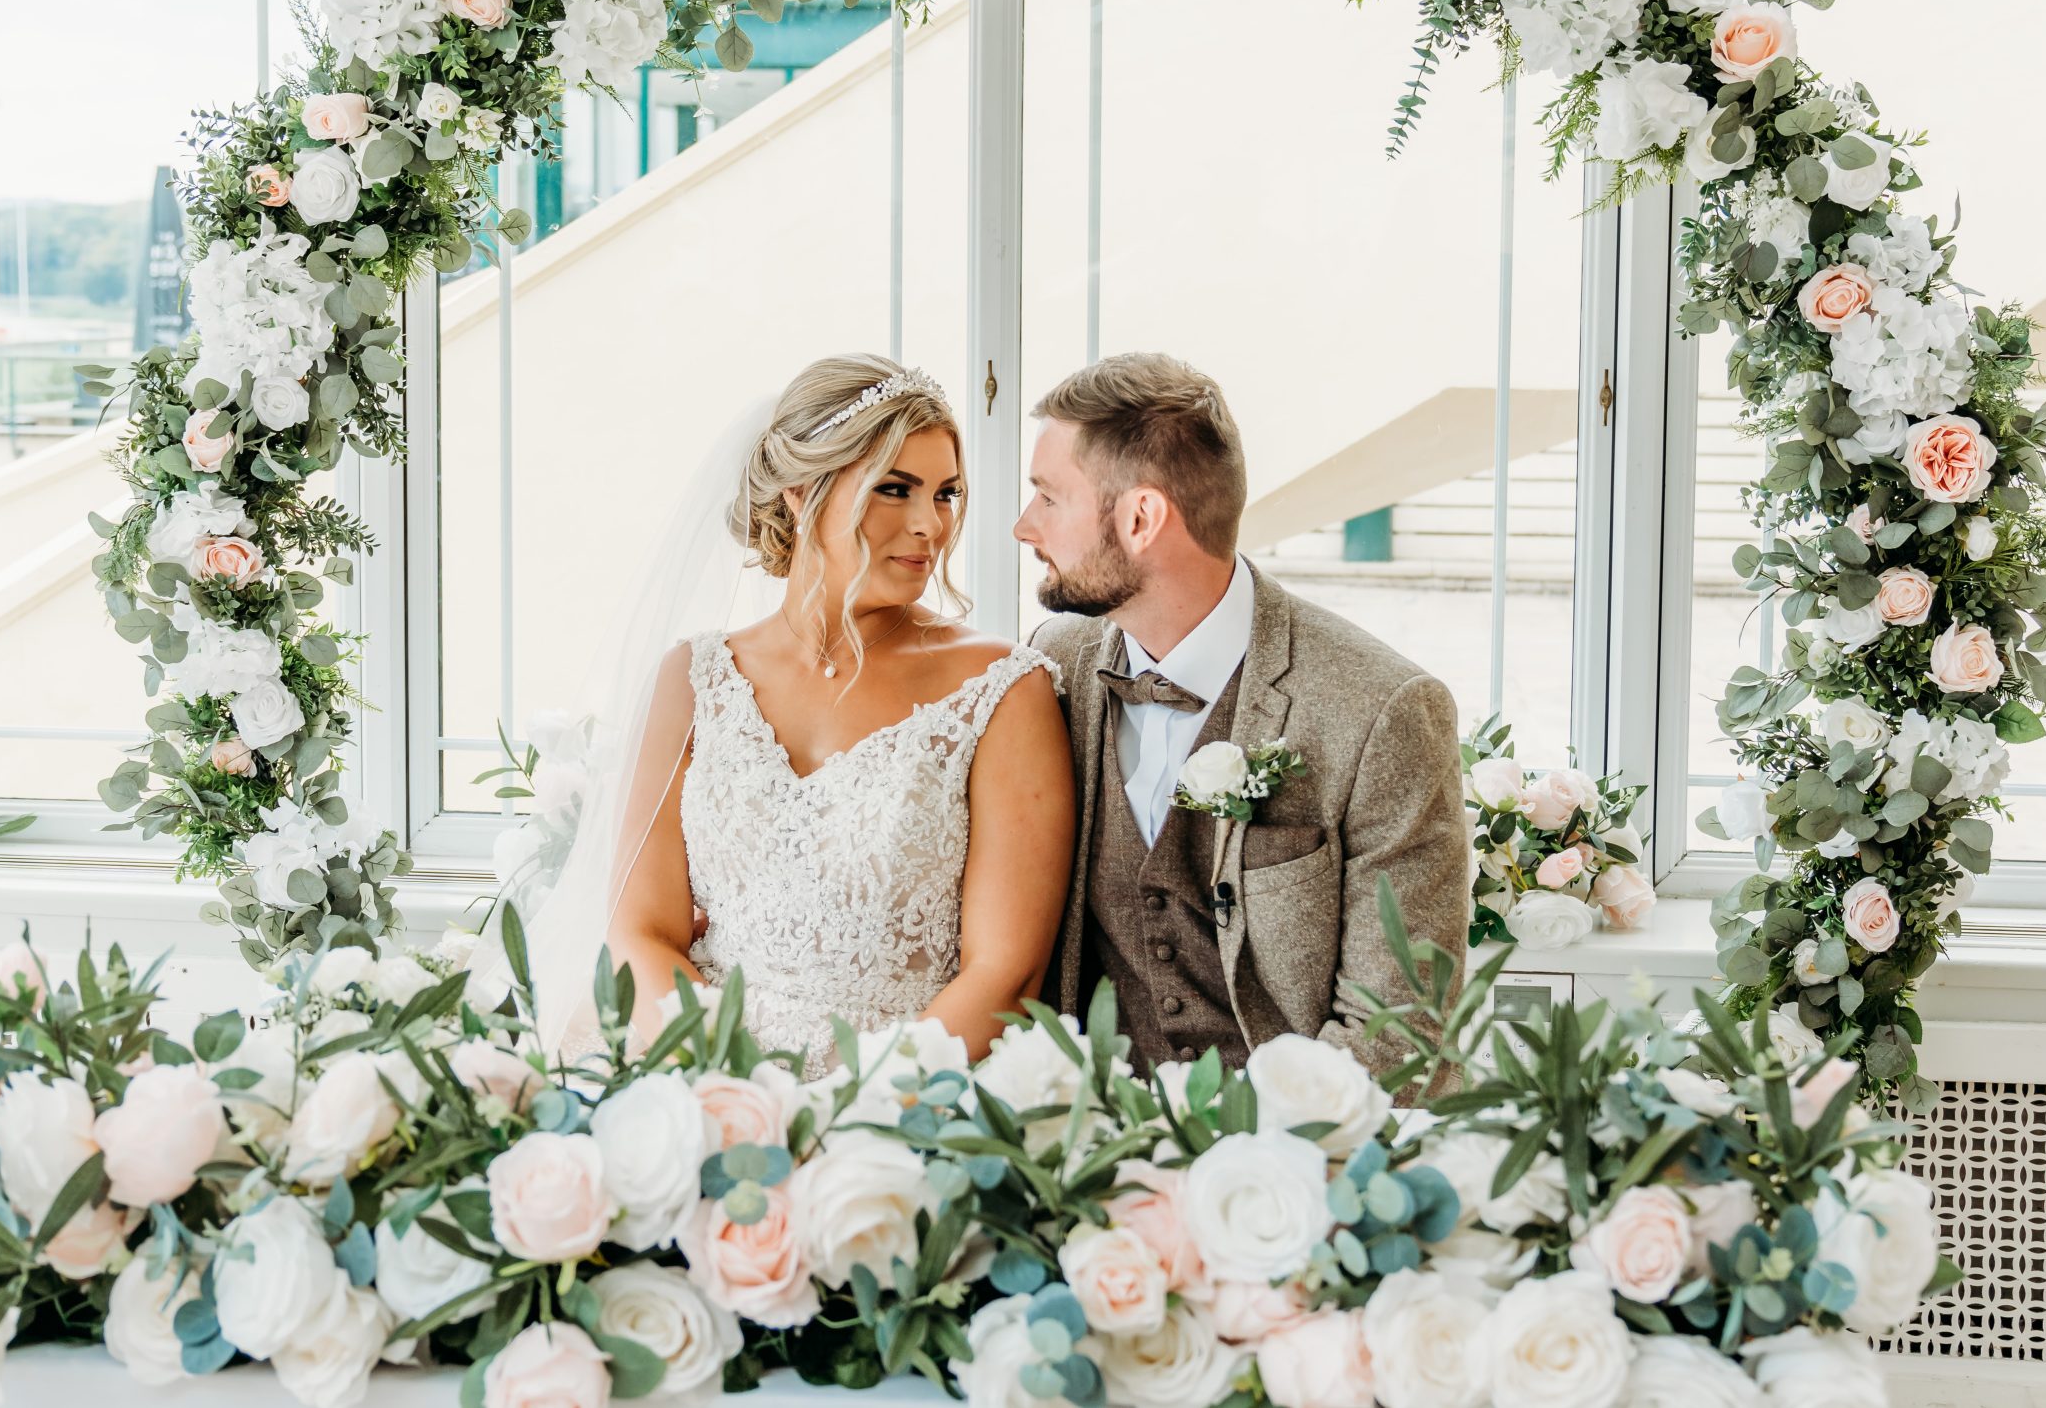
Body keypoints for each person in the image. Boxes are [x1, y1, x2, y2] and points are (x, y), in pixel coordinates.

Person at [574, 355, 1075, 1075]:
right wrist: (739, 1098)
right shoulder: (693, 681)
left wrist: (843, 1118)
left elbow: (1005, 976)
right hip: (698, 1077)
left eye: (945, 494)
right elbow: (638, 934)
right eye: (895, 489)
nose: (929, 524)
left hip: (902, 1108)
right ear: (800, 493)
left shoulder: (1001, 689)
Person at [1015, 352, 1468, 1073]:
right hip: (1091, 1142)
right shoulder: (1054, 662)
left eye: (1047, 497)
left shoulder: (1382, 711)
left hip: (1303, 1155)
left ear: (1140, 517)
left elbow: (1398, 1027)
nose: (1022, 526)